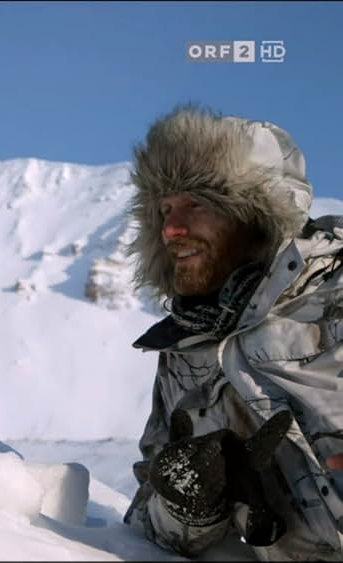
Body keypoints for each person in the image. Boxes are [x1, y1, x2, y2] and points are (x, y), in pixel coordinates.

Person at [122, 104, 343, 560]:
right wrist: (189, 505)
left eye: (195, 204)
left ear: (257, 213)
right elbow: (146, 528)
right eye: (163, 210)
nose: (171, 229)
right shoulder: (183, 352)